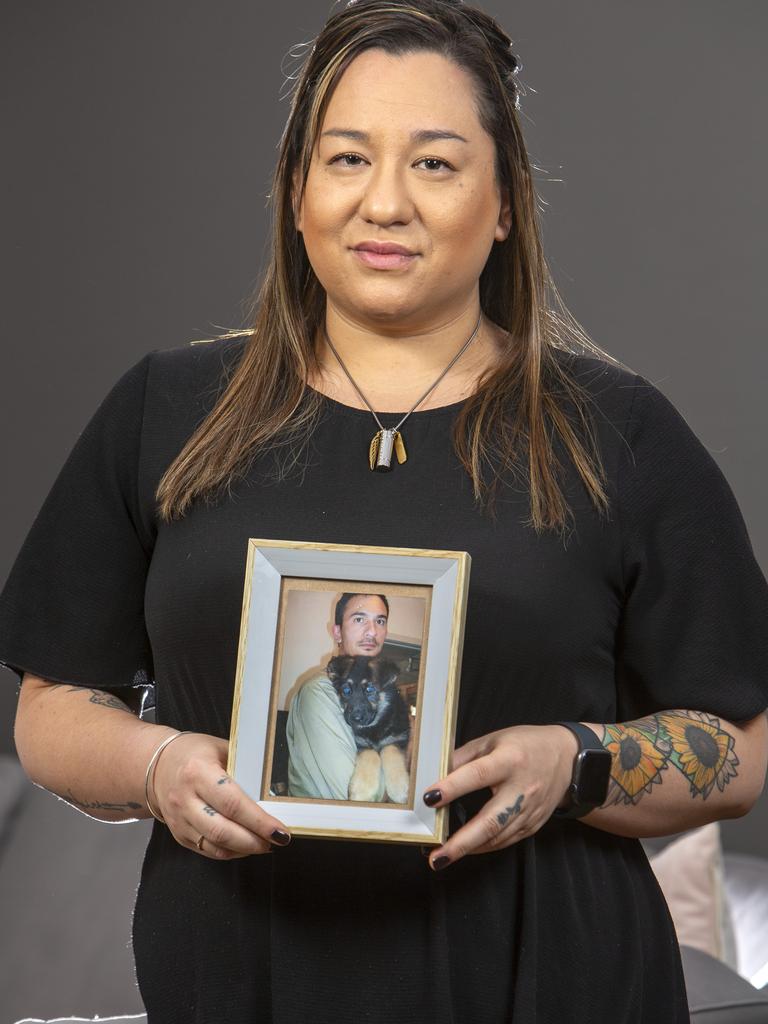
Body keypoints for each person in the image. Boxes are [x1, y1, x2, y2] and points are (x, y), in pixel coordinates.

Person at [1, 1, 767, 1021]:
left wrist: (577, 759)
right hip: (239, 983)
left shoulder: (616, 431)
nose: (386, 203)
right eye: (348, 158)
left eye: (437, 163)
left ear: (505, 203)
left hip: (550, 987)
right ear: (295, 192)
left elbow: (742, 751)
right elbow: (49, 709)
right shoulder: (166, 410)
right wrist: (154, 765)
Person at [286, 592, 393, 800]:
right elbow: (358, 801)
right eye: (359, 619)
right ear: (337, 633)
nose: (372, 631)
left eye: (380, 621)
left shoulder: (378, 696)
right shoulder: (319, 691)